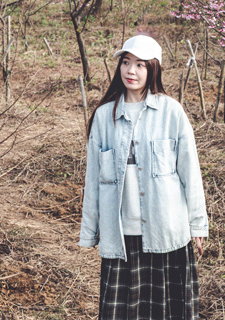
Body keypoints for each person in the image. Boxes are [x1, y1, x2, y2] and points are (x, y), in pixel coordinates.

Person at [79, 34, 208, 320]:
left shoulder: (172, 112)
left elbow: (190, 173)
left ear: (153, 70)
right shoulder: (103, 117)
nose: (131, 71)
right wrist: (90, 233)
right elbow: (93, 181)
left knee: (169, 313)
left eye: (140, 65)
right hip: (121, 237)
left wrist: (198, 225)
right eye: (126, 63)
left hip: (166, 233)